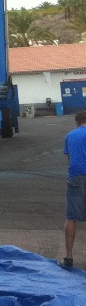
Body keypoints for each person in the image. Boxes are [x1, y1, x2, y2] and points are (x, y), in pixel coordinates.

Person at [62, 109, 86, 267]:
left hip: (75, 176)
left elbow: (70, 158)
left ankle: (69, 257)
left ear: (77, 122)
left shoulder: (70, 135)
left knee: (71, 217)